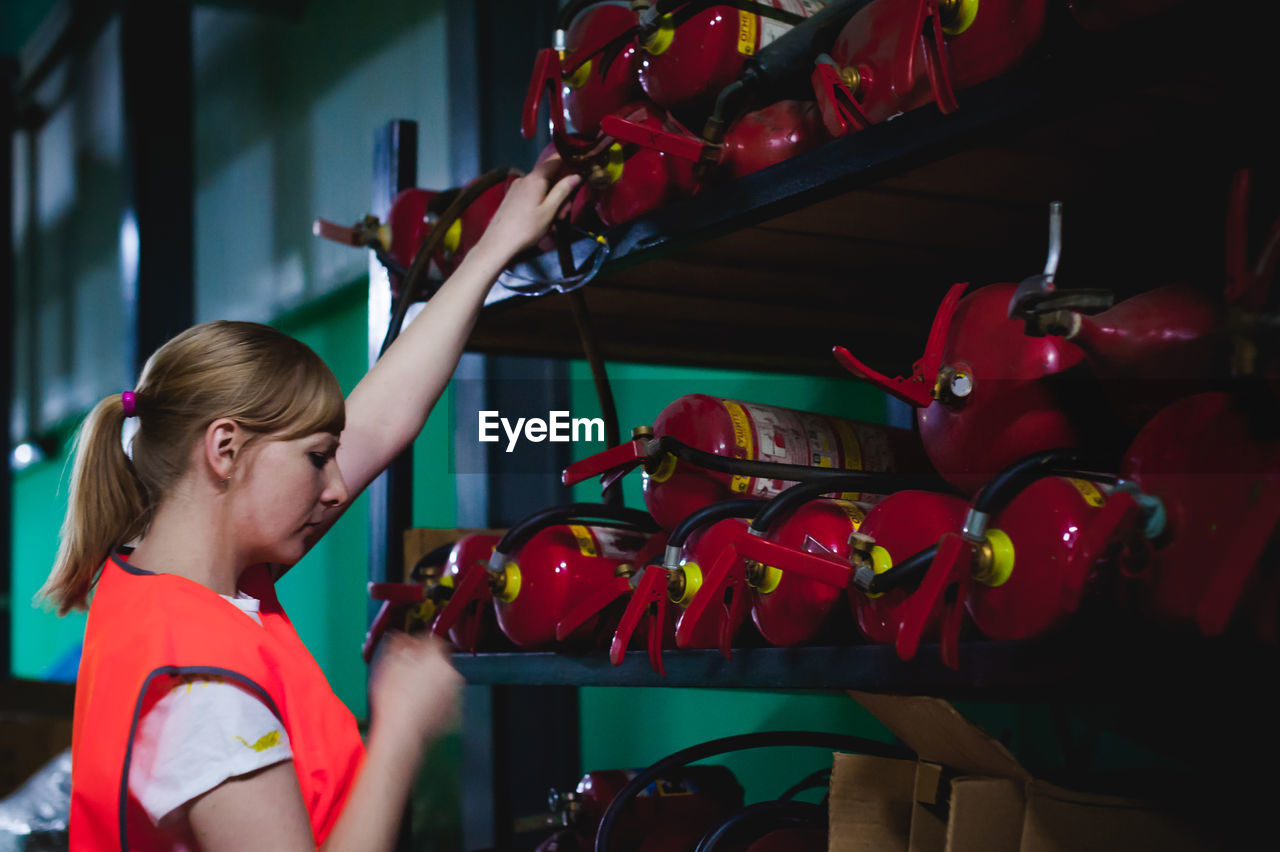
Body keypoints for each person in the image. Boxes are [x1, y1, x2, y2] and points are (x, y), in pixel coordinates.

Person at [39, 157, 581, 852]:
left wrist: (492, 250)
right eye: (316, 457)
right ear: (225, 449)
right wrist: (400, 732)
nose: (335, 488)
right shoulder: (202, 690)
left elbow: (380, 423)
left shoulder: (167, 590)